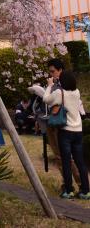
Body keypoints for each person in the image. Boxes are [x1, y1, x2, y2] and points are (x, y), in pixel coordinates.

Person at [43, 69, 90, 200]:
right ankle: (86, 191)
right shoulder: (77, 92)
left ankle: (68, 190)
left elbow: (46, 99)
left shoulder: (59, 92)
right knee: (80, 162)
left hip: (66, 132)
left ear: (62, 81)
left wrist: (49, 85)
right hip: (78, 131)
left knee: (66, 161)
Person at [45, 58, 81, 190]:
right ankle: (74, 184)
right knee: (63, 156)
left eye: (53, 71)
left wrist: (49, 87)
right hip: (63, 124)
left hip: (60, 124)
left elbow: (47, 100)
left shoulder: (62, 86)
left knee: (62, 157)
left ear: (60, 70)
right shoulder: (66, 85)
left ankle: (71, 185)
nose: (51, 74)